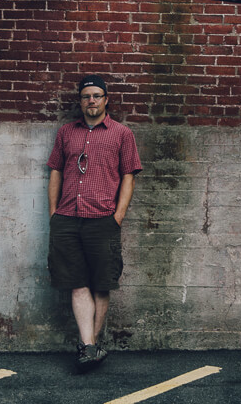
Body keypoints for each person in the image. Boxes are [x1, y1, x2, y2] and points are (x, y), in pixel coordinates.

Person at [46, 74, 143, 372]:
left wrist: (118, 216)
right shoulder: (66, 133)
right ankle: (89, 347)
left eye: (97, 95)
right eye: (86, 96)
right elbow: (56, 172)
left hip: (102, 219)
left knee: (101, 284)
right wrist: (54, 213)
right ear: (80, 101)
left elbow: (129, 175)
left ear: (106, 100)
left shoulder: (121, 134)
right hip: (67, 218)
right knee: (76, 282)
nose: (92, 100)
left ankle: (92, 344)